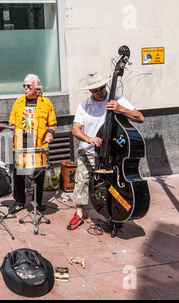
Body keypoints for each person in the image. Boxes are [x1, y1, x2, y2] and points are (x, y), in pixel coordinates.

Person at [68, 72, 145, 230]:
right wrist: (89, 138)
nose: (100, 91)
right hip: (89, 150)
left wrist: (121, 108)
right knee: (82, 181)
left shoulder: (116, 99)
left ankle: (115, 213)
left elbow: (140, 117)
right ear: (90, 91)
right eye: (96, 90)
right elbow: (75, 130)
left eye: (102, 87)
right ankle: (79, 214)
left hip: (112, 153)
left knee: (113, 184)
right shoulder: (84, 105)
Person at [8, 74, 57, 214]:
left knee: (38, 173)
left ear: (37, 87)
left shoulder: (46, 102)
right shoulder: (18, 102)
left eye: (29, 86)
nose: (25, 88)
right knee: (19, 173)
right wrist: (11, 128)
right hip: (20, 141)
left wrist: (50, 134)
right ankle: (19, 201)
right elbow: (11, 121)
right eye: (24, 85)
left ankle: (37, 200)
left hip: (38, 142)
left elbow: (52, 124)